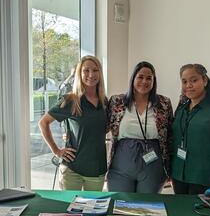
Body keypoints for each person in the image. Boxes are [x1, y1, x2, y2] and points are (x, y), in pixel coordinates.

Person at [38, 55, 108, 191]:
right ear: (79, 74)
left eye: (95, 70)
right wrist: (56, 151)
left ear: (100, 73)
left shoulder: (104, 101)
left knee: (94, 210)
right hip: (72, 169)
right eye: (86, 70)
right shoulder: (71, 100)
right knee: (70, 210)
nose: (91, 74)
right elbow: (43, 122)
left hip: (97, 169)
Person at [107, 61, 173, 193]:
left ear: (154, 81)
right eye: (140, 77)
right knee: (121, 203)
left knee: (147, 206)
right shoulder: (116, 101)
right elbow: (101, 126)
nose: (144, 81)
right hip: (121, 164)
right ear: (133, 78)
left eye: (149, 78)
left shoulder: (164, 103)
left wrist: (170, 168)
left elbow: (170, 136)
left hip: (153, 164)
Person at [170, 63, 210, 195]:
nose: (189, 85)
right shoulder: (181, 110)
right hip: (179, 177)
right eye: (184, 81)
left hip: (204, 180)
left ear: (204, 80)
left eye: (194, 80)